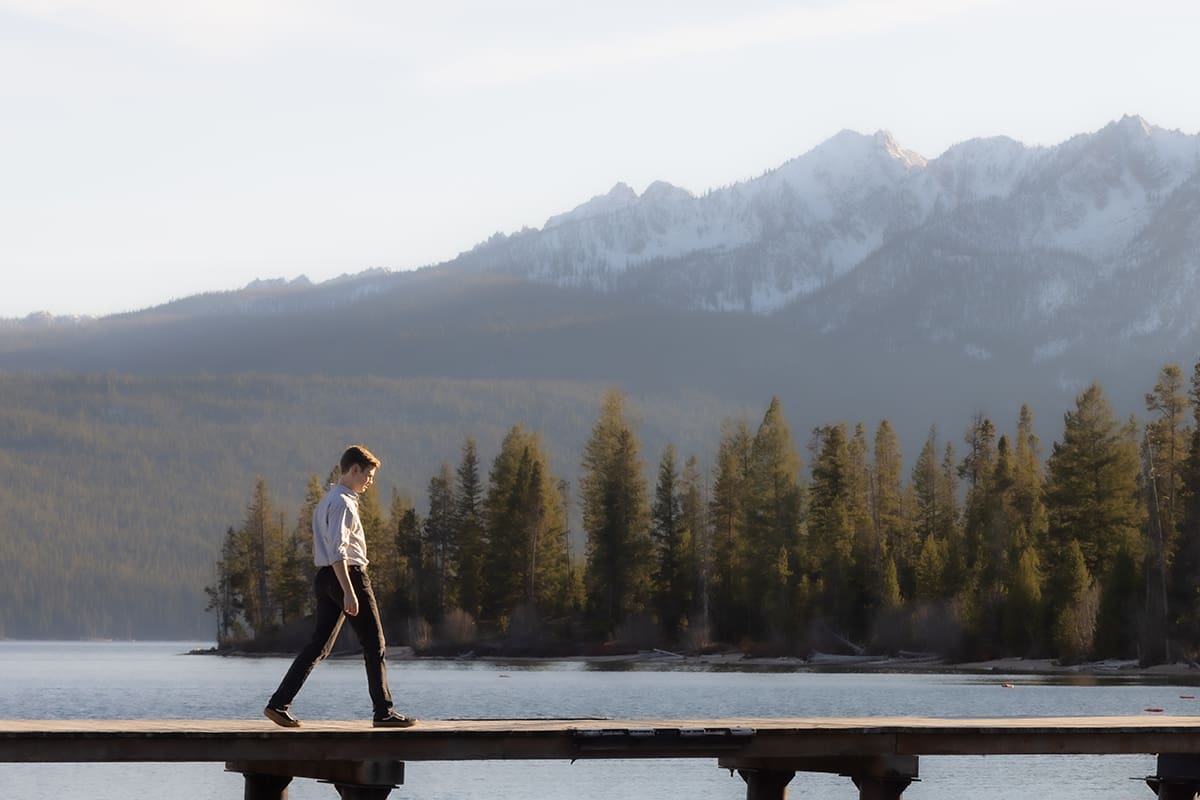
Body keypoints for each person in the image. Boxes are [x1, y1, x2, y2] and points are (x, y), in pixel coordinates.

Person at [264, 445, 416, 728]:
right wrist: (348, 589)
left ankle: (278, 704)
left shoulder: (326, 501)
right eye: (368, 475)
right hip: (348, 575)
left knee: (319, 646)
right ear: (354, 469)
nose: (370, 482)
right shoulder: (343, 503)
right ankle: (383, 712)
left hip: (325, 578)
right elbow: (338, 550)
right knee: (374, 643)